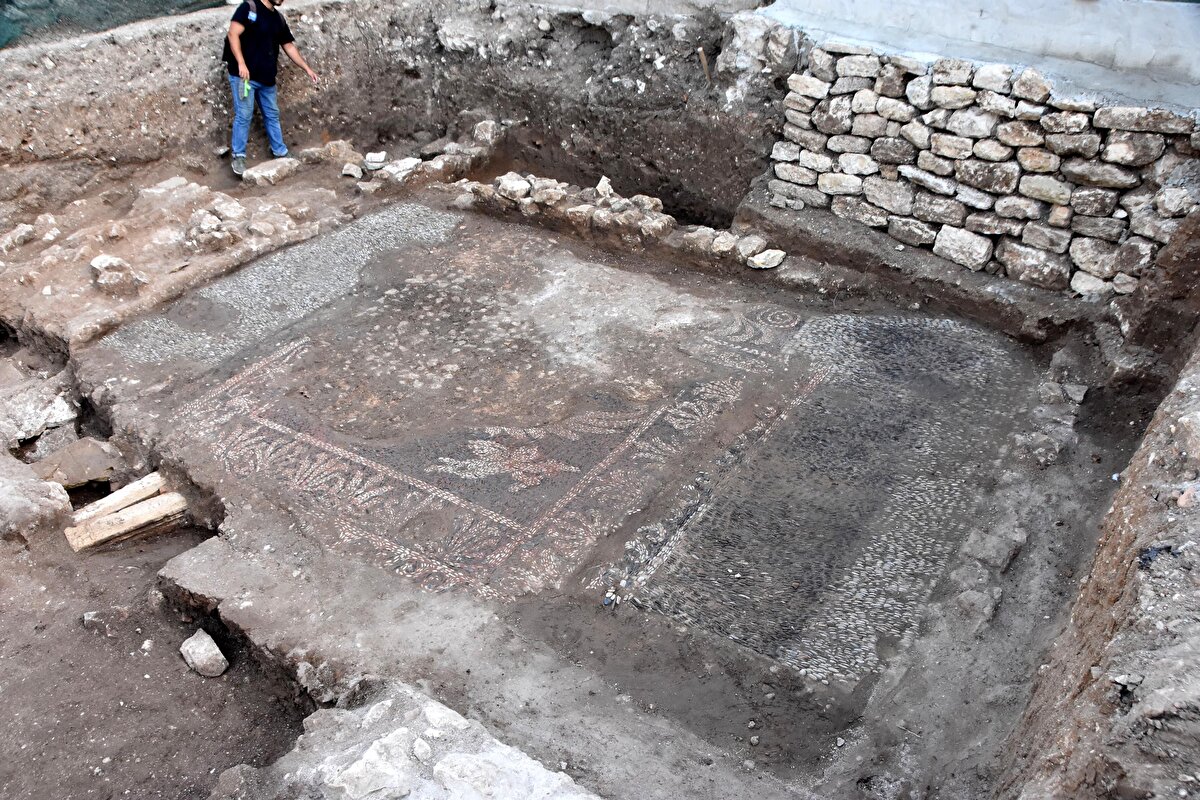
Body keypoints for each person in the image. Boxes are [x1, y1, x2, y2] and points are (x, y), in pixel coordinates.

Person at [222, 0, 319, 177]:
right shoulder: (249, 8)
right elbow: (233, 34)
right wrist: (241, 63)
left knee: (272, 114)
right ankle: (238, 156)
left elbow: (288, 45)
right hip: (245, 77)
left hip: (266, 78)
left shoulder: (277, 19)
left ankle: (280, 152)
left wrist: (306, 68)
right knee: (244, 115)